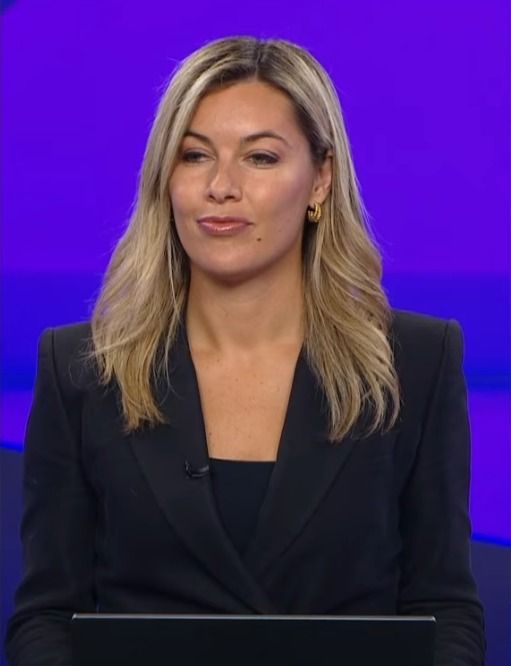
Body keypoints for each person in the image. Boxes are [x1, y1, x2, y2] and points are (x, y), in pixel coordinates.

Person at [5, 36, 485, 665]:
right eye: (194, 155)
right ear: (165, 180)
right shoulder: (81, 371)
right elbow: (45, 620)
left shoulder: (416, 364)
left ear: (320, 179)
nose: (221, 186)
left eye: (259, 157)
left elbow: (446, 611)